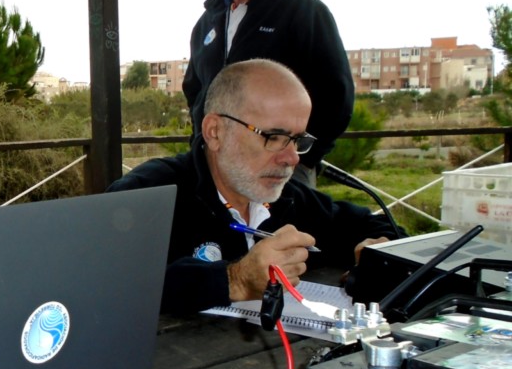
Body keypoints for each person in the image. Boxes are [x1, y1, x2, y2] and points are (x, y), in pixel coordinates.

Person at [108, 59, 399, 317]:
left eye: (297, 139)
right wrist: (236, 279)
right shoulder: (149, 193)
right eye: (274, 136)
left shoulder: (289, 199)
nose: (292, 158)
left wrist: (382, 249)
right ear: (215, 132)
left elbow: (371, 225)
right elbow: (104, 279)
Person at [182, 0, 354, 187]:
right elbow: (196, 91)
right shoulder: (207, 23)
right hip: (217, 169)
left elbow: (337, 95)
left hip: (282, 170)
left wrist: (304, 156)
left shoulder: (303, 10)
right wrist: (201, 144)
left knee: (283, 232)